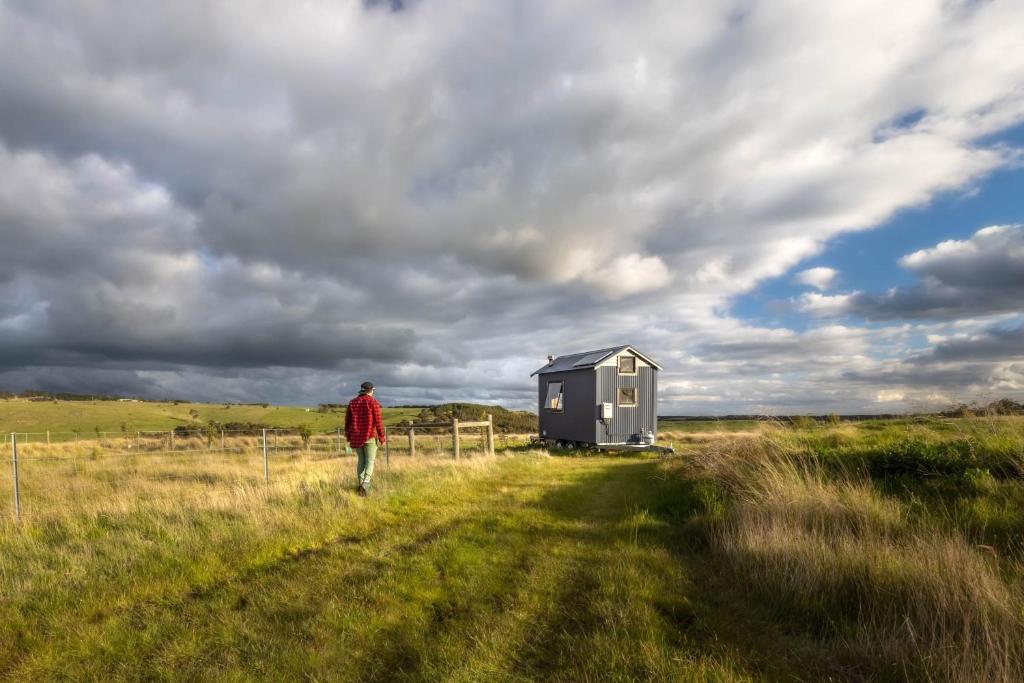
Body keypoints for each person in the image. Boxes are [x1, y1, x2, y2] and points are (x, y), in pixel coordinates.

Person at [344, 381, 386, 496]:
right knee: (370, 460)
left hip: (356, 436)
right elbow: (378, 421)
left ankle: (360, 483)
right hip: (370, 436)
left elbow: (347, 421)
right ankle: (366, 483)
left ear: (362, 390)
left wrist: (348, 435)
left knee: (361, 460)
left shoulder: (352, 402)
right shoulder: (373, 402)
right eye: (373, 390)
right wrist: (382, 436)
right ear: (371, 390)